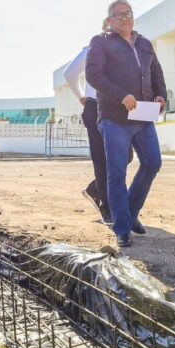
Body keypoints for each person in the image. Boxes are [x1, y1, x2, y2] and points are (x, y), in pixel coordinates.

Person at [86, 0, 167, 248]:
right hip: (114, 118)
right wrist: (122, 95)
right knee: (117, 172)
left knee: (153, 162)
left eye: (128, 13)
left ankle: (129, 214)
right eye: (118, 14)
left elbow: (156, 73)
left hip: (143, 115)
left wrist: (161, 94)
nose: (124, 17)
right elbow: (94, 75)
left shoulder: (144, 43)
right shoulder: (100, 43)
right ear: (109, 20)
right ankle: (122, 228)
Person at [64, 33, 113, 224]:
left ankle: (95, 189)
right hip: (95, 105)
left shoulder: (123, 51)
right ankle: (106, 207)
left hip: (117, 106)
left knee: (125, 156)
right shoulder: (91, 50)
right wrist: (81, 95)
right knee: (101, 158)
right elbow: (69, 74)